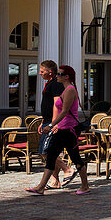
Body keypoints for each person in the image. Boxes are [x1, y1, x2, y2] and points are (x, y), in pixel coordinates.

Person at [25, 66, 91, 196]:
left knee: (76, 158)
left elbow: (65, 111)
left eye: (60, 74)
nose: (57, 76)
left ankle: (85, 186)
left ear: (67, 76)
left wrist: (51, 124)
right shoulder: (65, 90)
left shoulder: (70, 90)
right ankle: (41, 187)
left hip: (68, 130)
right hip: (61, 129)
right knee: (51, 156)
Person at [36, 60, 73, 189]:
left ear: (49, 72)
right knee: (51, 151)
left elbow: (57, 105)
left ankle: (67, 169)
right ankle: (55, 181)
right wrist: (43, 120)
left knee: (45, 151)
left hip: (52, 123)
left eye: (42, 71)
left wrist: (53, 124)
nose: (40, 73)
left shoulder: (55, 85)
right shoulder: (49, 84)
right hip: (47, 121)